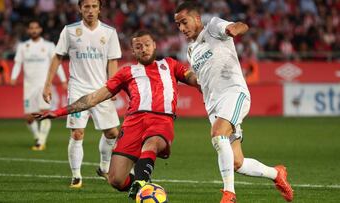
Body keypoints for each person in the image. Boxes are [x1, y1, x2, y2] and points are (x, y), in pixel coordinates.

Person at [34, 30, 199, 199]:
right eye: (138, 46)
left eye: (147, 45)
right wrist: (59, 112)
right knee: (116, 179)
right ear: (133, 52)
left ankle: (141, 184)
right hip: (133, 123)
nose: (143, 49)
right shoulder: (126, 72)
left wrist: (203, 84)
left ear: (155, 45)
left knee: (152, 143)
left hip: (161, 119)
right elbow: (93, 98)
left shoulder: (170, 64)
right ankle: (145, 189)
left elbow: (192, 78)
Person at [174, 2, 293, 203]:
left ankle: (229, 194)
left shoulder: (213, 27)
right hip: (213, 105)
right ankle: (276, 173)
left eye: (184, 22)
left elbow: (241, 25)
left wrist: (234, 28)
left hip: (234, 93)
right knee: (237, 162)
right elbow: (202, 81)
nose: (181, 28)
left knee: (218, 134)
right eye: (178, 25)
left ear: (196, 19)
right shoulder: (191, 50)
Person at [42, 0, 121, 188]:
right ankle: (76, 176)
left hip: (101, 89)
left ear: (100, 9)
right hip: (78, 89)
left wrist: (114, 86)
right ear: (80, 9)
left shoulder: (109, 32)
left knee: (112, 133)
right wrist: (47, 85)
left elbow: (112, 61)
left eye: (94, 6)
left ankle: (104, 167)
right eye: (86, 6)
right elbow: (57, 57)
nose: (91, 10)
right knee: (77, 133)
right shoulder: (69, 31)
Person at [10, 19, 67, 151]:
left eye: (36, 28)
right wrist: (13, 77)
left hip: (44, 86)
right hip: (29, 86)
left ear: (40, 30)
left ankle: (41, 141)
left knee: (44, 113)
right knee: (29, 117)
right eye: (31, 28)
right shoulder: (23, 47)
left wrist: (63, 80)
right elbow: (18, 63)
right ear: (28, 30)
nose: (34, 30)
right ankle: (37, 137)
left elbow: (56, 64)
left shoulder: (48, 45)